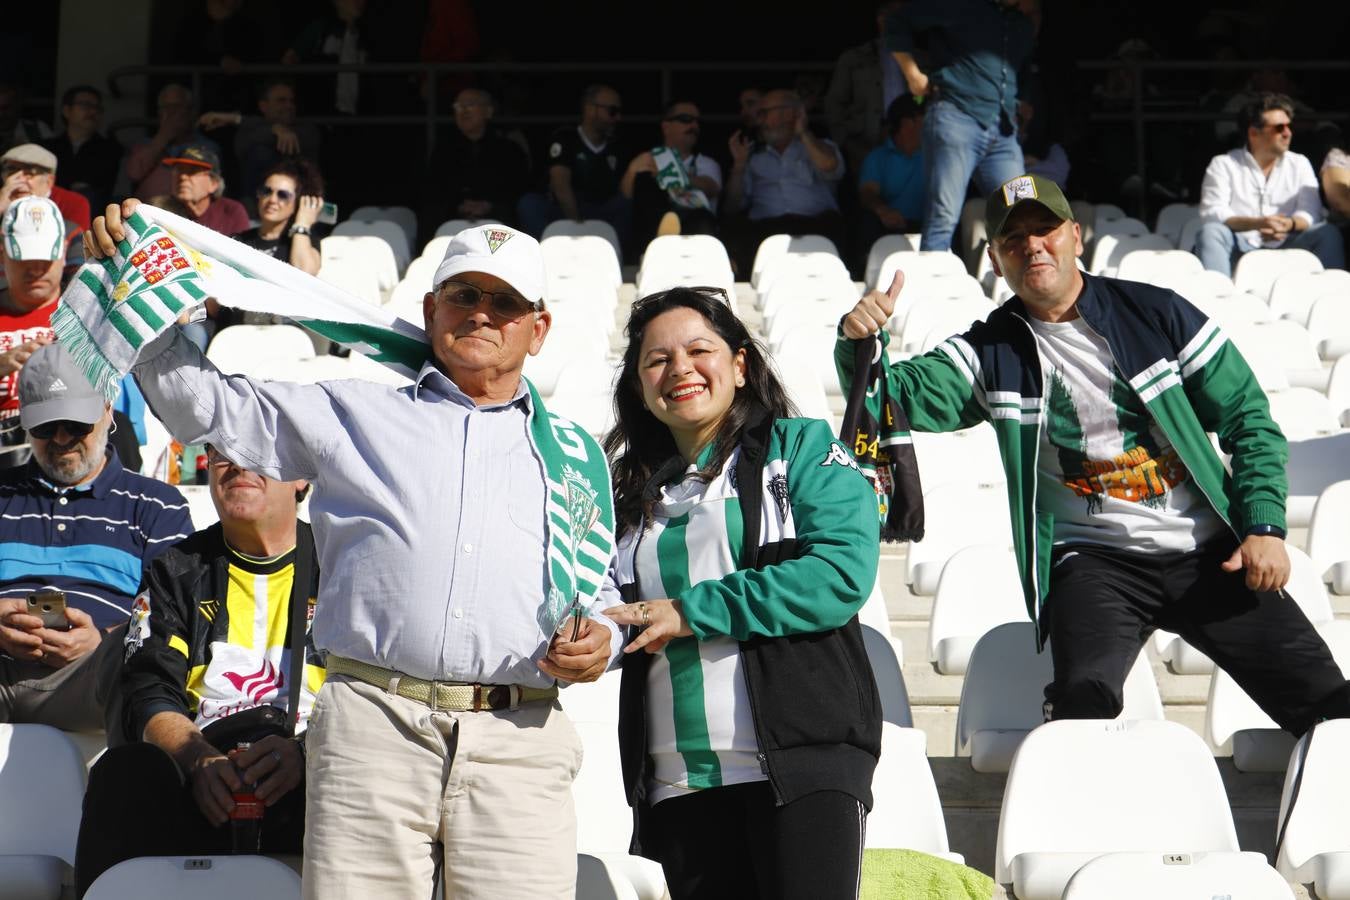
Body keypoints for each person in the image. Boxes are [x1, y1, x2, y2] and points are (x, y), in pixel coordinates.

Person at [86, 204, 624, 900]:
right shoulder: (356, 411)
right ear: (432, 311)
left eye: (506, 302)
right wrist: (140, 299)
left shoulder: (576, 457)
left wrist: (603, 639)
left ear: (538, 327)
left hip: (520, 737)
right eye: (464, 295)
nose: (482, 314)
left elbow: (602, 593)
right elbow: (205, 410)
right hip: (375, 725)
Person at [838, 172, 1350, 737]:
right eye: (1014, 238)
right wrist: (860, 343)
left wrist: (1264, 525)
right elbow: (891, 398)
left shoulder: (1157, 315)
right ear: (996, 258)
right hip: (1093, 560)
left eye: (1045, 230)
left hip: (1207, 549)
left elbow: (1248, 418)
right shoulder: (991, 349)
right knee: (1082, 702)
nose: (1032, 245)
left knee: (1331, 706)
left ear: (1075, 237)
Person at [598, 286, 881, 899]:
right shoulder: (625, 495)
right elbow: (611, 609)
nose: (679, 370)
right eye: (656, 360)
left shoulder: (801, 448)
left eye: (699, 350)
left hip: (800, 765)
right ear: (639, 385)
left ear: (742, 364)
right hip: (677, 783)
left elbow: (838, 576)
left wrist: (687, 610)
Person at [74, 446, 320, 897]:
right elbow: (147, 690)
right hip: (201, 774)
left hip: (313, 774)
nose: (237, 463)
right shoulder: (174, 570)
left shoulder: (344, 567)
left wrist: (307, 756)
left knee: (359, 774)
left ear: (300, 477)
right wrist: (198, 758)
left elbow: (369, 691)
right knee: (124, 772)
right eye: (222, 450)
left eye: (257, 449)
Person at [0, 342, 192, 731]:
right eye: (44, 426)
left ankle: (133, 788)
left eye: (75, 424)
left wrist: (103, 641)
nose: (60, 439)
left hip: (94, 678)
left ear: (108, 410)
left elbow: (176, 617)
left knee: (140, 662)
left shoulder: (157, 505)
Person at [884, 0, 1038, 252]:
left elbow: (1021, 71)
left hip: (1004, 130)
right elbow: (895, 20)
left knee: (1023, 210)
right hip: (955, 116)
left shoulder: (1021, 24)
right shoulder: (961, 6)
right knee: (943, 216)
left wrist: (1021, 103)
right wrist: (912, 75)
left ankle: (1022, 285)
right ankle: (933, 287)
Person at [1196, 93, 1345, 277]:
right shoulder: (1223, 163)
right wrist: (1258, 223)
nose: (1287, 133)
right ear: (1253, 133)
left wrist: (1288, 224)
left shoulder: (1299, 163)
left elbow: (1311, 212)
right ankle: (1214, 297)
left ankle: (1335, 297)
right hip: (1241, 244)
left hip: (1289, 242)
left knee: (1327, 233)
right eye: (1279, 127)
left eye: (1289, 126)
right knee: (1211, 232)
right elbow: (1212, 213)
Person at [722, 89, 846, 276]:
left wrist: (803, 132)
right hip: (766, 229)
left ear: (790, 113)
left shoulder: (820, 146)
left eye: (764, 113)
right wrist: (739, 165)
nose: (760, 120)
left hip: (816, 226)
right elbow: (732, 206)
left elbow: (829, 166)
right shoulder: (752, 155)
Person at [517, 84, 630, 248]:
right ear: (591, 109)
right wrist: (577, 226)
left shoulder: (618, 145)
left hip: (602, 209)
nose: (617, 118)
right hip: (567, 210)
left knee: (625, 205)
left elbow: (623, 192)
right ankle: (541, 256)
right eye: (612, 111)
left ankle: (618, 258)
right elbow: (560, 184)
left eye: (619, 112)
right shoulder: (566, 138)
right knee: (529, 203)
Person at [0, 197, 68, 469]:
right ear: (2, 253)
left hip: (67, 446)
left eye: (46, 257)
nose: (37, 269)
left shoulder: (87, 313)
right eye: (26, 257)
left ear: (64, 251)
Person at [199, 79, 323, 208]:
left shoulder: (307, 130)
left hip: (301, 205)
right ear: (263, 106)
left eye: (291, 101)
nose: (289, 106)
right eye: (281, 101)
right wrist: (273, 130)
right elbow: (246, 143)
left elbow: (304, 140)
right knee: (260, 153)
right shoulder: (249, 131)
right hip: (257, 206)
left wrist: (236, 119)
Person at [421, 88, 530, 234]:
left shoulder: (509, 149)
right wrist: (458, 205)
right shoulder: (444, 149)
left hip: (498, 215)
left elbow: (519, 187)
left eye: (470, 105)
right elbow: (433, 187)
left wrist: (489, 205)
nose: (464, 111)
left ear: (488, 112)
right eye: (458, 106)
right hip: (452, 215)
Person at [620, 101, 722, 245]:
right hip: (650, 233)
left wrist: (669, 175)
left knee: (702, 218)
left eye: (697, 121)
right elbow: (625, 199)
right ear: (666, 126)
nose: (694, 126)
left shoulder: (706, 163)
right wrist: (632, 170)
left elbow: (712, 188)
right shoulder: (647, 159)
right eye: (686, 119)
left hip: (697, 233)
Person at [824, 1, 907, 174]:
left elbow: (922, 97)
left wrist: (918, 103)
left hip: (909, 135)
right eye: (895, 15)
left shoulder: (921, 58)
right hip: (865, 140)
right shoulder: (855, 57)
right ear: (880, 19)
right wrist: (844, 139)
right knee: (868, 192)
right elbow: (835, 101)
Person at [856, 94, 926, 265]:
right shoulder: (878, 157)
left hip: (928, 228)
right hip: (888, 228)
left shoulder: (937, 156)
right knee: (867, 221)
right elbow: (867, 193)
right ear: (907, 123)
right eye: (925, 117)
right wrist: (883, 211)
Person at [124, 84, 220, 201]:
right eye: (165, 107)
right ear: (159, 113)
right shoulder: (144, 145)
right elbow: (134, 174)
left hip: (189, 215)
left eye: (177, 106)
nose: (171, 112)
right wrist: (163, 136)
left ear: (191, 112)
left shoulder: (207, 147)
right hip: (149, 214)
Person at [42, 86, 123, 214]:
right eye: (85, 105)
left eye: (97, 107)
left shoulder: (111, 149)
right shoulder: (47, 148)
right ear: (67, 111)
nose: (92, 111)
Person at [153, 143, 250, 237]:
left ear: (213, 184)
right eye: (179, 170)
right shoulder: (159, 209)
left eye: (192, 171)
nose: (182, 176)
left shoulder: (231, 212)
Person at [1, 142, 92, 233]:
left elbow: (74, 242)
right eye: (11, 171)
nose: (17, 181)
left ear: (49, 181)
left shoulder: (73, 203)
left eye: (29, 173)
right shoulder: (3, 197)